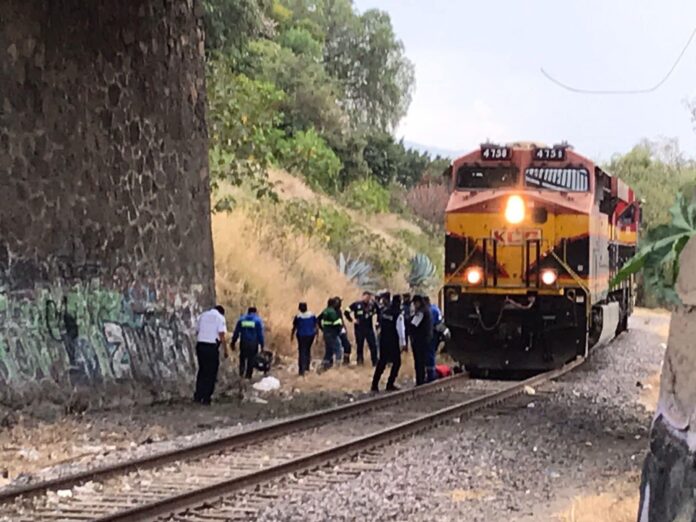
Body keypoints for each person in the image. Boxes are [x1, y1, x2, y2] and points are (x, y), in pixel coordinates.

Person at [371, 294, 406, 392]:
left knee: (382, 362)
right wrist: (403, 343)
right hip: (393, 341)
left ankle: (374, 384)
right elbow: (401, 330)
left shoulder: (385, 311)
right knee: (397, 363)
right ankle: (390, 384)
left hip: (383, 340)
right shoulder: (398, 314)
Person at [194, 305, 227, 405]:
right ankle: (206, 397)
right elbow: (222, 335)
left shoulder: (202, 315)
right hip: (211, 347)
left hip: (200, 346)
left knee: (202, 370)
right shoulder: (220, 318)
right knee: (211, 372)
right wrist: (226, 350)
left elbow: (197, 330)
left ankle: (198, 395)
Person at [231, 307, 265, 379]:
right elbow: (260, 335)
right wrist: (262, 345)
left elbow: (236, 332)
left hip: (243, 342)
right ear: (255, 312)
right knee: (251, 359)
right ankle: (248, 376)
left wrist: (233, 342)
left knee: (242, 358)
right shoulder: (257, 321)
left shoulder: (241, 320)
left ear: (248, 312)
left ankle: (241, 374)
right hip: (253, 343)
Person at [346, 292, 379, 366]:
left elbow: (379, 312)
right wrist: (352, 320)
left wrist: (377, 322)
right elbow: (346, 311)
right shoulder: (356, 304)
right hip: (359, 329)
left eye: (369, 297)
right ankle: (360, 362)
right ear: (363, 296)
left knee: (373, 345)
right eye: (366, 297)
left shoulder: (372, 305)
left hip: (369, 328)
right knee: (360, 345)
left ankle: (375, 362)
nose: (367, 299)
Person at [410, 295, 433, 386]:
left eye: (415, 303)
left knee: (419, 361)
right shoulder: (427, 310)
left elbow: (414, 324)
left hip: (419, 340)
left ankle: (420, 380)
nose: (414, 305)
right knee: (422, 360)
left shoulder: (421, 312)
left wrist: (408, 320)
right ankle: (421, 379)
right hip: (424, 339)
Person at [291, 302, 317, 376]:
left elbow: (294, 327)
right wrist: (316, 335)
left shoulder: (298, 316)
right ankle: (307, 368)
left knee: (302, 351)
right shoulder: (312, 315)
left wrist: (292, 336)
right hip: (311, 335)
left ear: (299, 308)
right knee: (308, 350)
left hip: (301, 336)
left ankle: (301, 370)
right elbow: (316, 326)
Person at [318, 298, 343, 370]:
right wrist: (339, 330)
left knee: (328, 350)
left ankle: (323, 367)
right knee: (338, 349)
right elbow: (337, 323)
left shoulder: (325, 310)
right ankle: (337, 367)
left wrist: (322, 328)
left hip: (326, 333)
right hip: (333, 334)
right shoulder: (332, 312)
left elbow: (318, 319)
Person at [424, 296, 443, 382]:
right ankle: (431, 373)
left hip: (430, 335)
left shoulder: (428, 311)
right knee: (431, 354)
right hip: (435, 334)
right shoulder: (435, 309)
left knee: (429, 354)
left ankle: (430, 374)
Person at [334, 296, 352, 365]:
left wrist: (344, 327)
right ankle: (333, 363)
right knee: (334, 348)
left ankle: (346, 362)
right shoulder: (330, 311)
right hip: (334, 332)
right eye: (339, 302)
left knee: (347, 346)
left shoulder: (339, 311)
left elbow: (341, 320)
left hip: (341, 331)